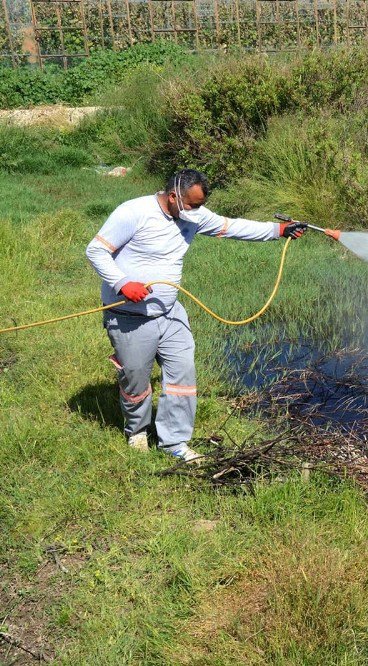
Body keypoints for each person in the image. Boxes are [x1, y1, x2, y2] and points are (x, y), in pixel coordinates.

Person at [85, 169, 306, 461]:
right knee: (136, 380)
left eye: (199, 206)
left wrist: (278, 230)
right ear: (174, 196)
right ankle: (137, 431)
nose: (196, 212)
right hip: (128, 316)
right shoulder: (134, 212)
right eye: (191, 205)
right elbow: (96, 250)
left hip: (170, 313)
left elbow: (232, 226)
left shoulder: (194, 214)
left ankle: (174, 442)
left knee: (182, 375)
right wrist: (122, 283)